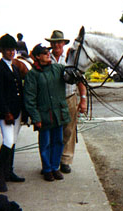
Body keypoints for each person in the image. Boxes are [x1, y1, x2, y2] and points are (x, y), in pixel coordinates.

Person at [24, 43, 71, 181]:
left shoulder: (58, 68)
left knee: (58, 142)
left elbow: (72, 73)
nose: (48, 54)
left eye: (48, 52)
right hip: (44, 115)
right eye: (45, 53)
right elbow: (29, 98)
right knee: (45, 143)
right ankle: (47, 169)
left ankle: (55, 167)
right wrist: (35, 117)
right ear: (37, 56)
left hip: (59, 113)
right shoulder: (32, 75)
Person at [45, 30, 87, 174]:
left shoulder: (70, 58)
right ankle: (50, 162)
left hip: (69, 98)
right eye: (54, 42)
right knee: (51, 133)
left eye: (59, 42)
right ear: (50, 44)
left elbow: (80, 79)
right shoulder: (45, 58)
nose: (56, 44)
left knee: (69, 130)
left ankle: (65, 160)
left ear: (63, 43)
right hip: (51, 102)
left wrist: (83, 100)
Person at [0, 34, 26, 192]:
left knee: (13, 142)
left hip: (17, 111)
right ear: (1, 51)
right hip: (7, 113)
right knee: (7, 142)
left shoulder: (14, 67)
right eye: (8, 50)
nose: (11, 52)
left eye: (13, 50)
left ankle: (9, 171)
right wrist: (6, 112)